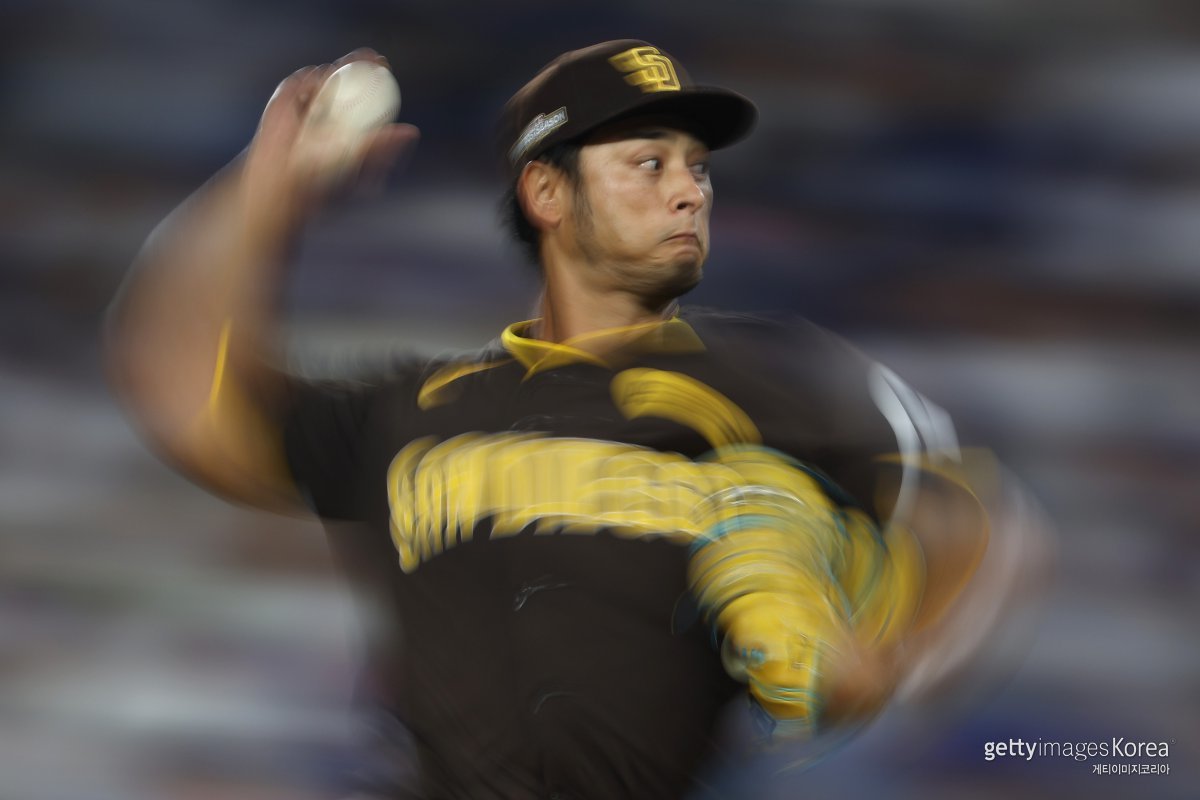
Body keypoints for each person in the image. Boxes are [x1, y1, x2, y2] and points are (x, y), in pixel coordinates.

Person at [107, 40, 1008, 800]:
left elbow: (970, 517)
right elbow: (183, 395)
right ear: (546, 193)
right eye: (649, 164)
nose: (691, 192)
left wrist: (890, 657)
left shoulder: (785, 381)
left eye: (697, 167)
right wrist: (265, 187)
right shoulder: (410, 413)